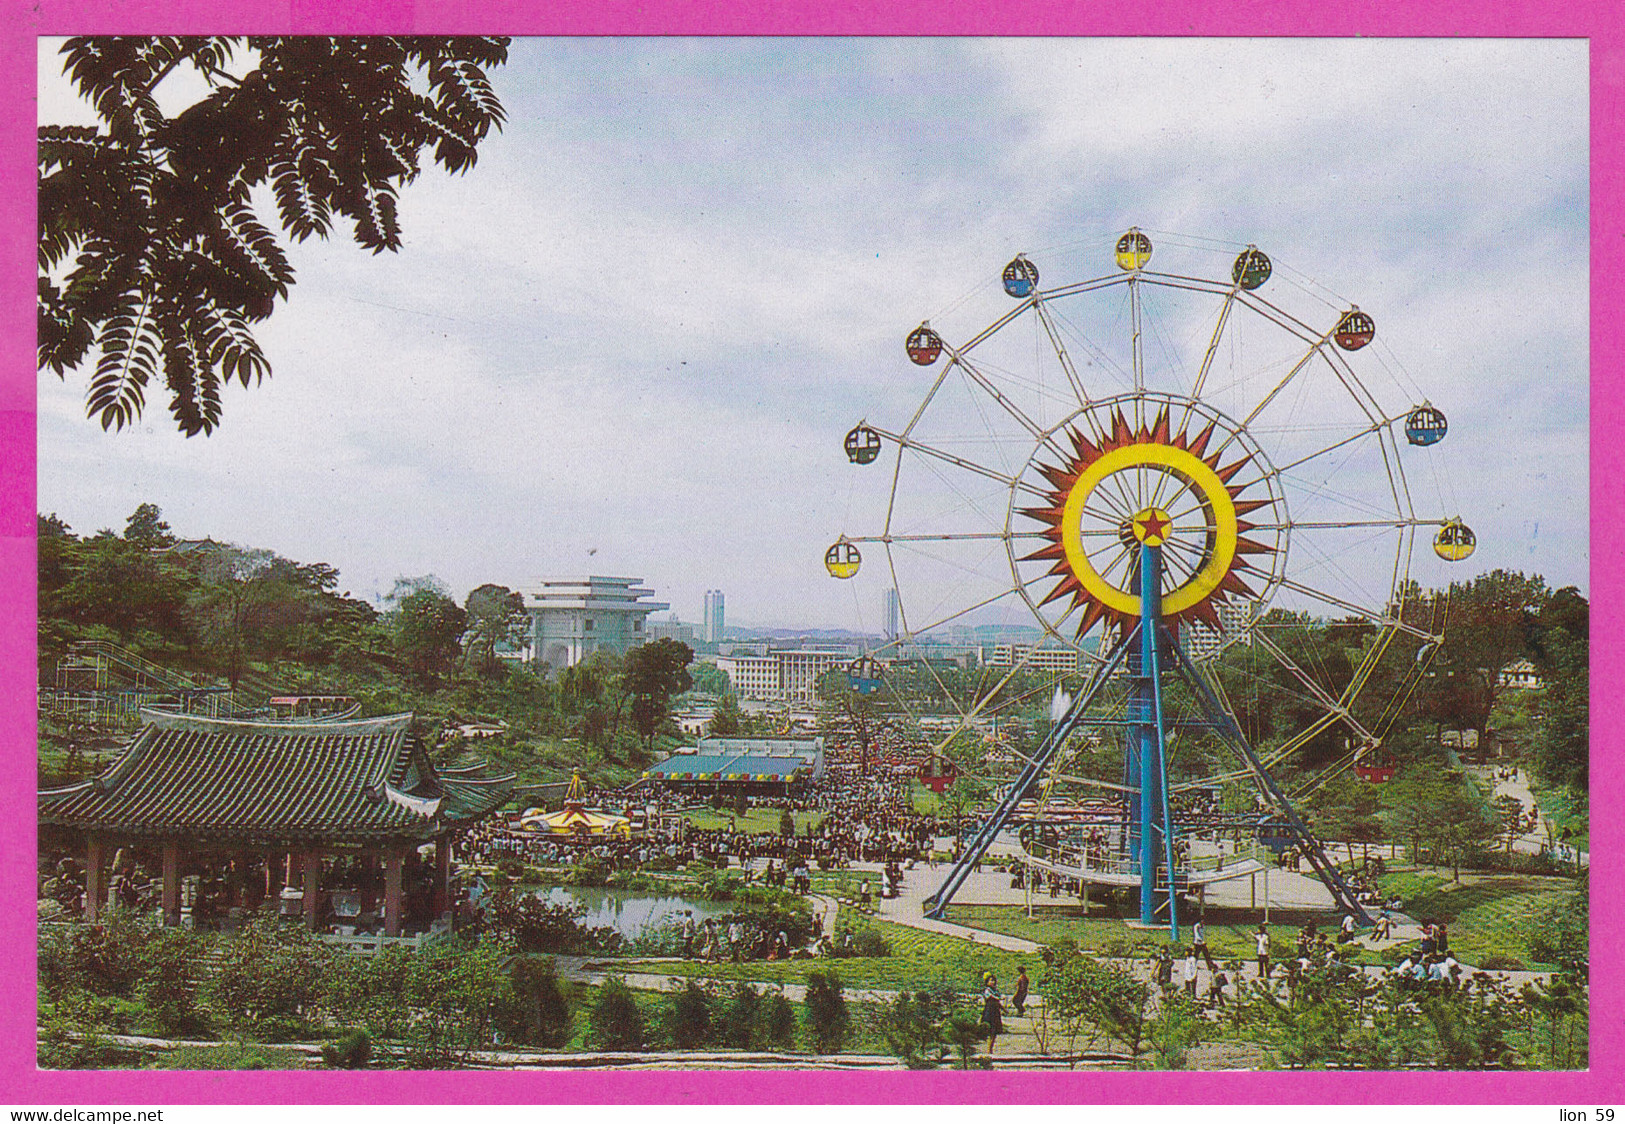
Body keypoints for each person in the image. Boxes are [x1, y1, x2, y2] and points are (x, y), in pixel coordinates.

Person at [981, 972, 1004, 1053]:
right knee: (989, 1029)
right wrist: (999, 998)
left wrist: (1003, 1009)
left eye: (994, 980)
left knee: (994, 1031)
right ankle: (988, 1048)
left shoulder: (996, 991)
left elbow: (998, 1002)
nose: (993, 982)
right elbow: (991, 997)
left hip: (995, 1012)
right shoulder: (987, 990)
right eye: (991, 980)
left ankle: (991, 1048)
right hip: (989, 1011)